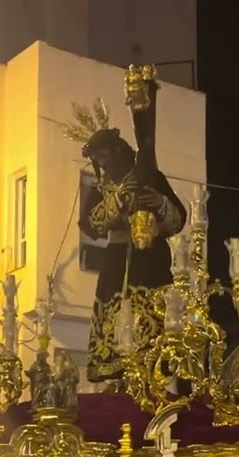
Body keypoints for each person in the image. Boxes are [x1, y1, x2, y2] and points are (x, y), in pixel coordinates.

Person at [65, 70, 187, 385]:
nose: (103, 166)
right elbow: (92, 224)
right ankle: (119, 380)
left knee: (154, 325)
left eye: (105, 159)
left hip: (152, 261)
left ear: (119, 152)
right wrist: (119, 198)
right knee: (115, 320)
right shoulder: (102, 188)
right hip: (117, 261)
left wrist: (157, 202)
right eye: (98, 162)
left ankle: (153, 378)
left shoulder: (151, 176)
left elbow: (178, 220)